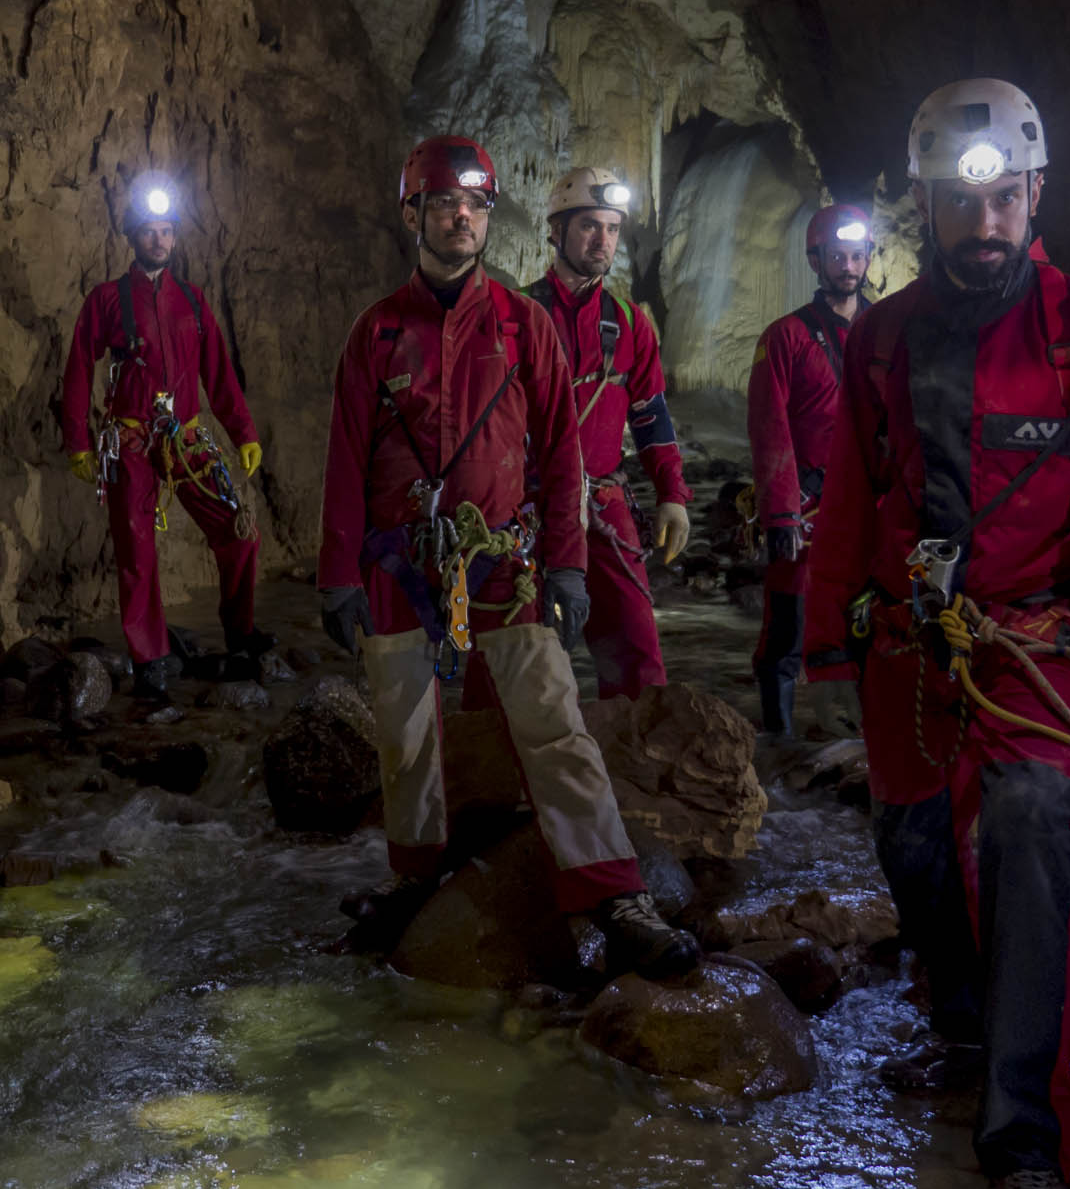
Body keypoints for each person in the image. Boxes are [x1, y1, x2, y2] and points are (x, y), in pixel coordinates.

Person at [801, 80, 1070, 1189]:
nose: (986, 228)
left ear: (1035, 195)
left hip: (1036, 647)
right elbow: (858, 490)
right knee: (910, 844)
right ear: (925, 204)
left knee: (1026, 834)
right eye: (962, 207)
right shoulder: (884, 333)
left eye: (1005, 203)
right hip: (914, 642)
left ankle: (1025, 1141)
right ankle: (965, 1023)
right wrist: (826, 633)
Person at [317, 135, 699, 978]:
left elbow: (563, 451)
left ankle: (612, 889)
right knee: (406, 734)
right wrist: (337, 573)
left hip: (504, 562)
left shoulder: (524, 325)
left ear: (491, 217)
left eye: (478, 205)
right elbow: (345, 456)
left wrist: (566, 562)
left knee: (553, 722)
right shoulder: (377, 333)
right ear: (413, 213)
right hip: (398, 566)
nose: (463, 217)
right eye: (447, 203)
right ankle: (417, 879)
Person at [60, 175, 266, 699]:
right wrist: (79, 442)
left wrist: (242, 431)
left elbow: (219, 374)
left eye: (167, 231)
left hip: (187, 441)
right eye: (149, 231)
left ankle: (241, 633)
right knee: (136, 550)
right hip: (132, 442)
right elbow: (80, 369)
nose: (159, 240)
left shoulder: (192, 303)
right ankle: (149, 657)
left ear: (175, 237)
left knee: (239, 532)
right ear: (133, 235)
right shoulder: (107, 300)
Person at [500, 165, 691, 696]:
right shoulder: (514, 316)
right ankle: (498, 765)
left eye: (611, 228)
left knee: (637, 654)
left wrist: (672, 495)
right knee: (513, 654)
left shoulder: (630, 324)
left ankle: (631, 769)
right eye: (588, 226)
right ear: (556, 231)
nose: (602, 239)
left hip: (604, 502)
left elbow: (651, 417)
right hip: (529, 507)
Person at [745, 202, 874, 734]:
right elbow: (769, 430)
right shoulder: (785, 339)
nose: (849, 266)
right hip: (807, 507)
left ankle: (862, 743)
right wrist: (778, 516)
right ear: (816, 262)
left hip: (873, 509)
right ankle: (779, 740)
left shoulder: (889, 331)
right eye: (837, 256)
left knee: (872, 623)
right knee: (788, 628)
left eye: (857, 255)